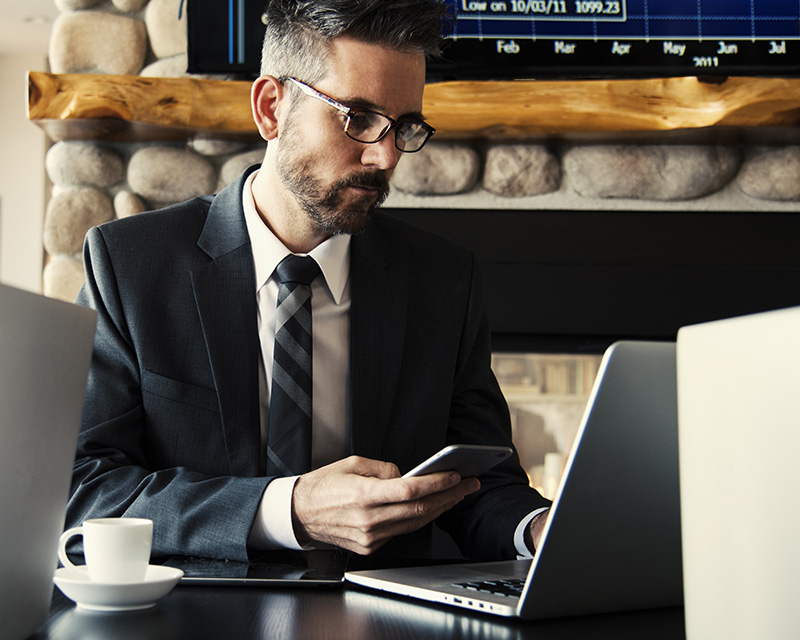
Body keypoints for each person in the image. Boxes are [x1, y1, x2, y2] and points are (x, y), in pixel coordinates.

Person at [67, 0, 550, 562]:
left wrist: (540, 528)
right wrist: (288, 510)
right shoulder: (130, 266)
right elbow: (82, 488)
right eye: (358, 118)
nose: (386, 155)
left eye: (406, 126)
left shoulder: (445, 282)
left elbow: (480, 482)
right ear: (271, 107)